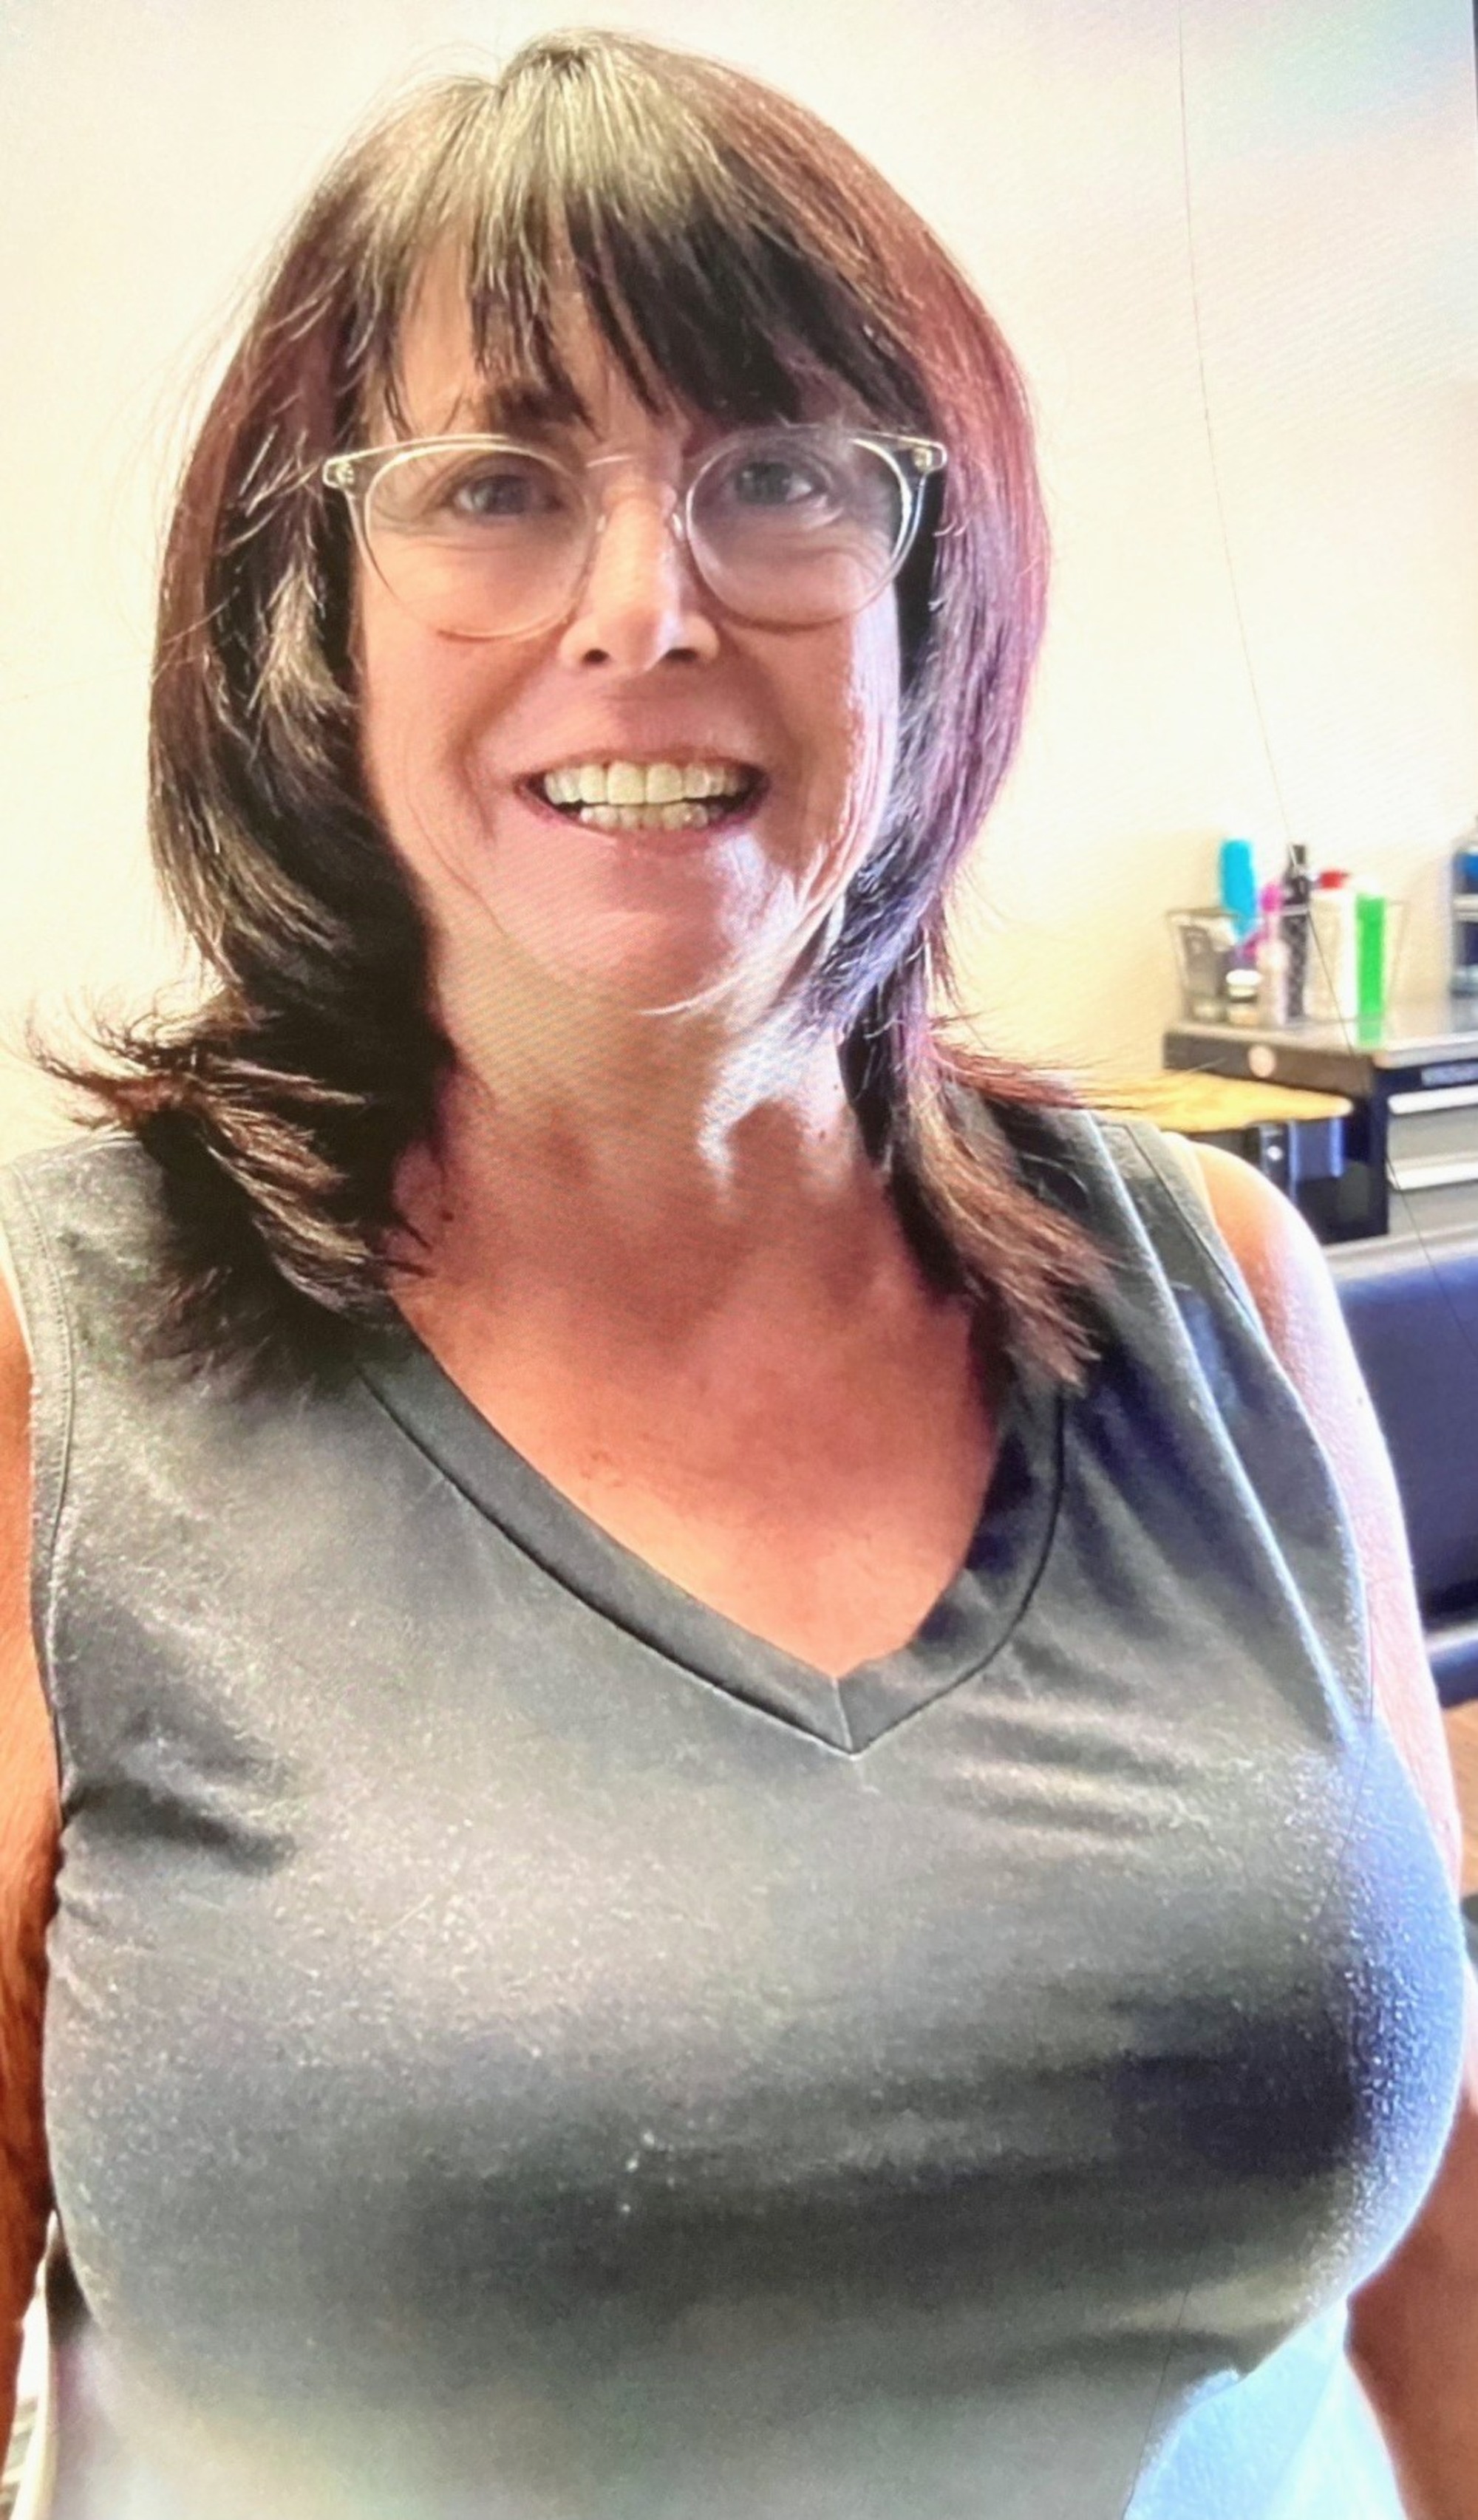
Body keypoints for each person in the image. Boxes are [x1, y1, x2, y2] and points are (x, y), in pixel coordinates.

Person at [0, 29, 1474, 2519]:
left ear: (924, 590)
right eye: (492, 484)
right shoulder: (57, 1362)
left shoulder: (1220, 1282)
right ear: (307, 616)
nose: (644, 608)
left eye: (779, 471)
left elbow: (1429, 2193)